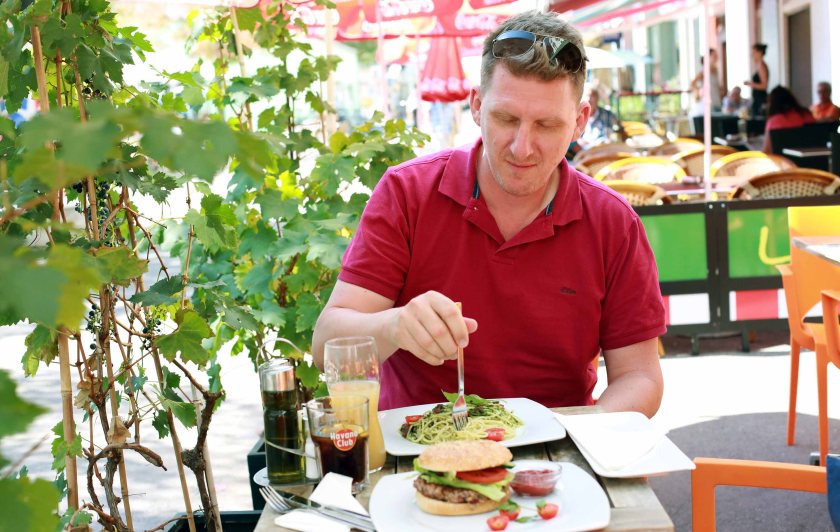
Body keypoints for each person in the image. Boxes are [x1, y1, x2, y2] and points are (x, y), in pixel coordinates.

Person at [311, 11, 666, 417]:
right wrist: (394, 326)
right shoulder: (407, 193)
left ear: (579, 122)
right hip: (418, 452)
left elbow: (641, 377)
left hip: (560, 454)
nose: (522, 147)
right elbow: (326, 348)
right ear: (477, 106)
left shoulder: (612, 222)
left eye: (547, 125)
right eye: (506, 118)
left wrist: (579, 434)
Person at [762, 85, 815, 153]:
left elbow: (767, 152)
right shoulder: (808, 115)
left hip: (783, 162)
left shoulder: (773, 121)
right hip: (811, 161)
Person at [576, 82, 620, 150]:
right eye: (586, 95)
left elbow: (619, 130)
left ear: (598, 98)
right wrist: (578, 142)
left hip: (604, 152)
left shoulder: (607, 115)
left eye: (592, 95)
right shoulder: (577, 116)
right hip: (583, 155)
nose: (589, 99)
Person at [689, 49, 723, 114]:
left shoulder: (715, 71)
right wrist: (699, 93)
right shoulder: (704, 71)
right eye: (714, 56)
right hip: (708, 105)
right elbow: (693, 83)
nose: (716, 58)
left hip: (716, 103)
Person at [744, 43, 769, 118]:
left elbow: (764, 85)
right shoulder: (759, 65)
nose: (752, 54)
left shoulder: (762, 66)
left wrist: (751, 84)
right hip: (757, 98)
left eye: (754, 52)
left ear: (760, 52)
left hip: (760, 99)